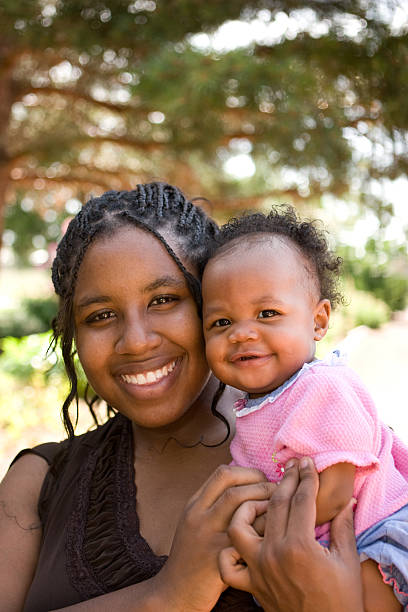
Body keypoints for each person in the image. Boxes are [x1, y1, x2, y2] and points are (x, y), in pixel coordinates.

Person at [0, 183, 371, 612]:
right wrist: (168, 595)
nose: (136, 342)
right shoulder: (36, 483)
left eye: (164, 299)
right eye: (100, 315)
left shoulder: (336, 449)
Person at [201, 207, 408, 612]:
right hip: (304, 549)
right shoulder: (251, 408)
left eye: (267, 314)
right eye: (221, 322)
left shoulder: (323, 388)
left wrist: (249, 530)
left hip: (375, 534)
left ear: (317, 321)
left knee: (366, 589)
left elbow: (332, 496)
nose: (242, 332)